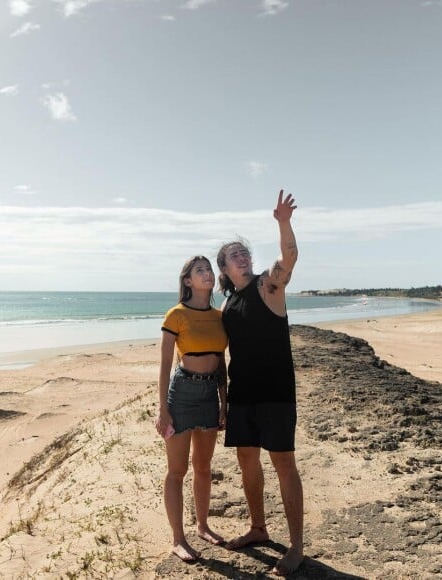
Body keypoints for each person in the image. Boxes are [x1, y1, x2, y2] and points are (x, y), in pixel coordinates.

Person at [216, 190, 304, 576]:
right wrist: (222, 401)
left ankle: (297, 545)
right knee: (246, 461)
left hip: (276, 391)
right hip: (243, 395)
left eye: (244, 252)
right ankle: (258, 528)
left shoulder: (269, 285)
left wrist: (283, 222)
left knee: (283, 463)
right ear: (224, 267)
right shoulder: (227, 305)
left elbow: (289, 258)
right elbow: (220, 353)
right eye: (234, 255)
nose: (242, 256)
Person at [156, 256, 228, 562]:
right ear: (188, 281)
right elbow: (162, 365)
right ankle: (178, 539)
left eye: (209, 269)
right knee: (177, 470)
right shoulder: (176, 314)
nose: (207, 273)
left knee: (203, 466)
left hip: (209, 393)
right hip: (182, 393)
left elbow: (221, 360)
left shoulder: (218, 316)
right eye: (200, 271)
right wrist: (162, 408)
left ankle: (202, 526)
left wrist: (224, 402)